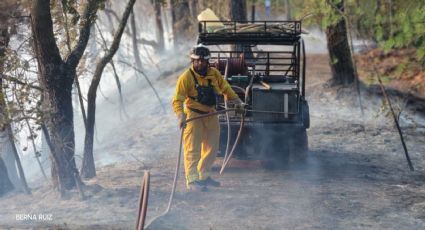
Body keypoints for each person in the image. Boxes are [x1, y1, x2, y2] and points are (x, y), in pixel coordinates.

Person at [172, 44, 243, 191]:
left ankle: (203, 176)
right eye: (196, 61)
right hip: (193, 115)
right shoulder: (185, 78)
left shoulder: (215, 74)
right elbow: (177, 100)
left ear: (207, 61)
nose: (199, 63)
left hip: (211, 114)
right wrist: (181, 116)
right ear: (192, 61)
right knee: (193, 149)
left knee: (212, 147)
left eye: (202, 61)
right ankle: (192, 181)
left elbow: (226, 89)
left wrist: (237, 102)